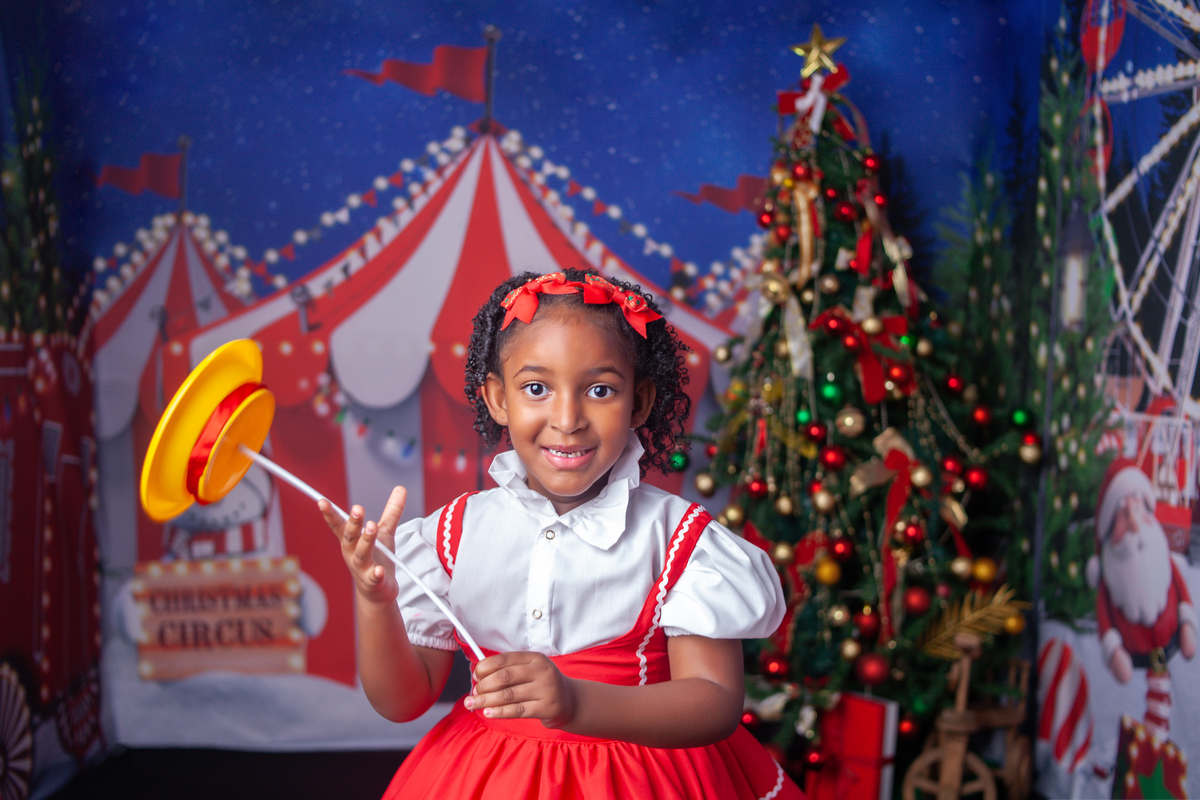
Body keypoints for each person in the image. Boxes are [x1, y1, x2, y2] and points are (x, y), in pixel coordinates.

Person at [319, 268, 803, 798]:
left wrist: (577, 703)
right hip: (486, 777)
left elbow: (714, 702)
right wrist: (375, 601)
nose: (568, 419)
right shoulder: (451, 536)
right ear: (498, 399)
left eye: (600, 389)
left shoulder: (681, 542)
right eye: (536, 389)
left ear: (639, 402)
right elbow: (401, 703)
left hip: (640, 780)